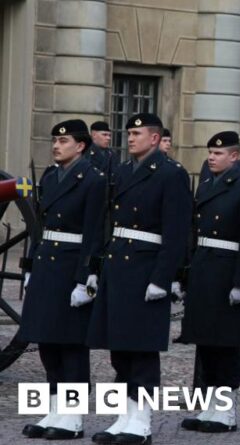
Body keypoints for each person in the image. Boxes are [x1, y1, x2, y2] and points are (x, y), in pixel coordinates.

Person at [86, 113, 192, 445]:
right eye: (129, 132)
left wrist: (162, 278)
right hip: (118, 268)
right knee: (120, 350)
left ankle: (141, 422)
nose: (130, 138)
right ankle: (123, 417)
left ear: (156, 138)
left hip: (146, 269)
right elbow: (107, 222)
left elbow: (176, 233)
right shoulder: (122, 171)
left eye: (137, 133)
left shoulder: (171, 174)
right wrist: (95, 267)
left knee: (142, 351)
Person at [18, 120, 107, 440]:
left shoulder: (93, 180)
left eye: (64, 140)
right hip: (47, 267)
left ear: (81, 146)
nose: (56, 146)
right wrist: (30, 268)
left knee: (71, 347)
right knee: (47, 343)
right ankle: (55, 408)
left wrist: (85, 279)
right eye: (54, 140)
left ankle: (73, 416)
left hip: (71, 268)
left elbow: (95, 233)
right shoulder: (50, 176)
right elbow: (38, 226)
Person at [179, 131, 240, 434]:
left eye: (219, 152)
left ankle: (225, 412)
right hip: (203, 270)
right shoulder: (208, 184)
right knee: (207, 344)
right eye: (210, 152)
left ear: (234, 156)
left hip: (226, 273)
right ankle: (209, 407)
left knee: (225, 346)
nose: (212, 157)